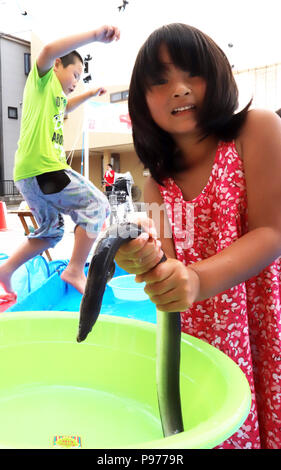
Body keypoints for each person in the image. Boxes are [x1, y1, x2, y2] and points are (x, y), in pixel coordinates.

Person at [114, 23, 281, 449]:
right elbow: (165, 263)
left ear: (219, 73)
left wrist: (199, 279)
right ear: (141, 101)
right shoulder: (156, 183)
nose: (179, 89)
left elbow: (272, 230)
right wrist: (138, 255)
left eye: (193, 73)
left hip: (260, 321)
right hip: (200, 335)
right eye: (160, 81)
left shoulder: (256, 130)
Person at [0, 25, 120, 298]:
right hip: (45, 170)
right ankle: (75, 269)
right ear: (57, 66)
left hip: (30, 176)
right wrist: (94, 36)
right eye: (74, 74)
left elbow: (65, 106)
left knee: (52, 232)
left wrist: (88, 94)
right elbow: (48, 50)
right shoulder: (41, 80)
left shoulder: (53, 98)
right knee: (97, 205)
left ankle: (5, 270)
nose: (76, 80)